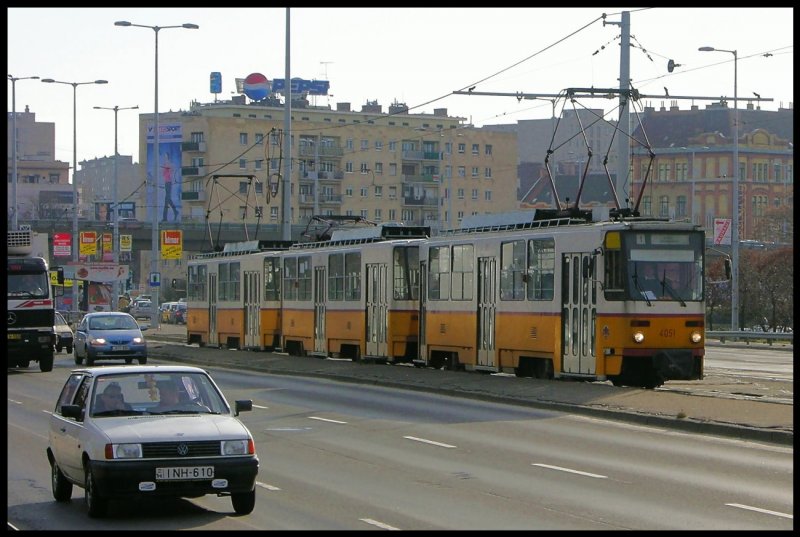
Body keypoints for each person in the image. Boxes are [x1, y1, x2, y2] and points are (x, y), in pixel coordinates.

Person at [161, 153, 179, 222]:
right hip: (166, 183)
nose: (165, 158)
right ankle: (175, 211)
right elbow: (163, 174)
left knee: (166, 200)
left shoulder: (169, 164)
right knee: (168, 200)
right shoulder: (164, 165)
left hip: (169, 183)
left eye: (166, 156)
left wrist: (168, 168)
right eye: (164, 156)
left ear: (168, 157)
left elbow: (172, 170)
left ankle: (165, 218)